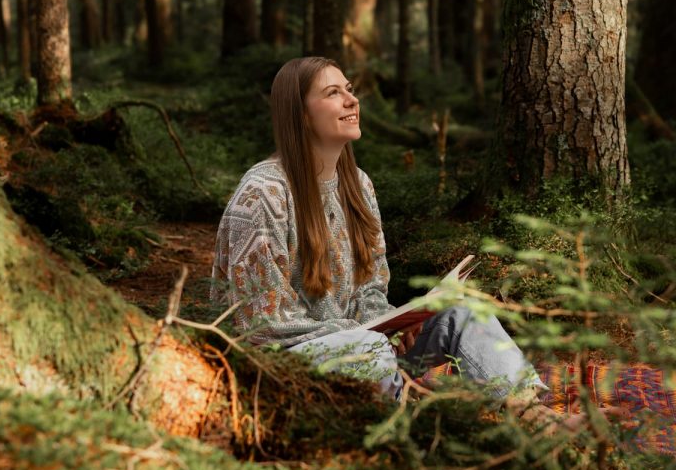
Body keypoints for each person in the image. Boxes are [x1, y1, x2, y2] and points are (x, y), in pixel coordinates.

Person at [212, 56, 555, 409]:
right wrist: (363, 334)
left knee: (464, 313)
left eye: (350, 89)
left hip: (361, 349)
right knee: (369, 348)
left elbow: (371, 286)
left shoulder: (358, 185)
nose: (352, 100)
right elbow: (260, 324)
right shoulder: (262, 193)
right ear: (300, 114)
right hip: (282, 364)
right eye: (333, 93)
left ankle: (532, 415)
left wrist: (390, 325)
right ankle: (399, 440)